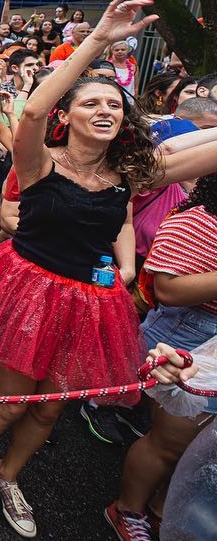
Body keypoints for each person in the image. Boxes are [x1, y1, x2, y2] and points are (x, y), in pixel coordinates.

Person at [0, 0, 217, 537]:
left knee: (49, 411)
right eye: (91, 103)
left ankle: (9, 474)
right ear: (66, 115)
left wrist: (122, 270)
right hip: (27, 289)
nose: (105, 110)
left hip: (90, 301)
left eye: (115, 105)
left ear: (125, 122)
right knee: (9, 403)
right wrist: (97, 39)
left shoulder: (127, 175)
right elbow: (28, 109)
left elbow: (203, 152)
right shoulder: (38, 161)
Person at [104, 171, 217, 539]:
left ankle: (161, 509)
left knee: (200, 450)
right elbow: (166, 289)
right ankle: (127, 510)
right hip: (189, 335)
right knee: (170, 442)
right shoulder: (199, 220)